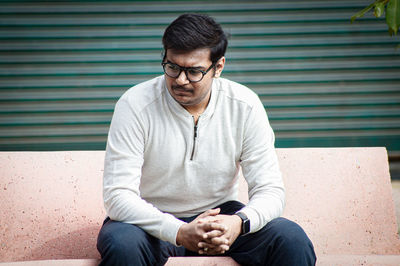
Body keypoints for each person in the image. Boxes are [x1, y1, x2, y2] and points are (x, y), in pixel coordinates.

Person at [97, 13, 316, 266]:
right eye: (172, 67)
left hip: (221, 220)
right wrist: (178, 231)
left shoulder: (244, 106)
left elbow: (271, 190)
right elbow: (118, 195)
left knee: (291, 239)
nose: (180, 80)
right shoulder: (135, 105)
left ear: (218, 67)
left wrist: (239, 223)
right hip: (149, 223)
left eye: (194, 71)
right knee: (122, 243)